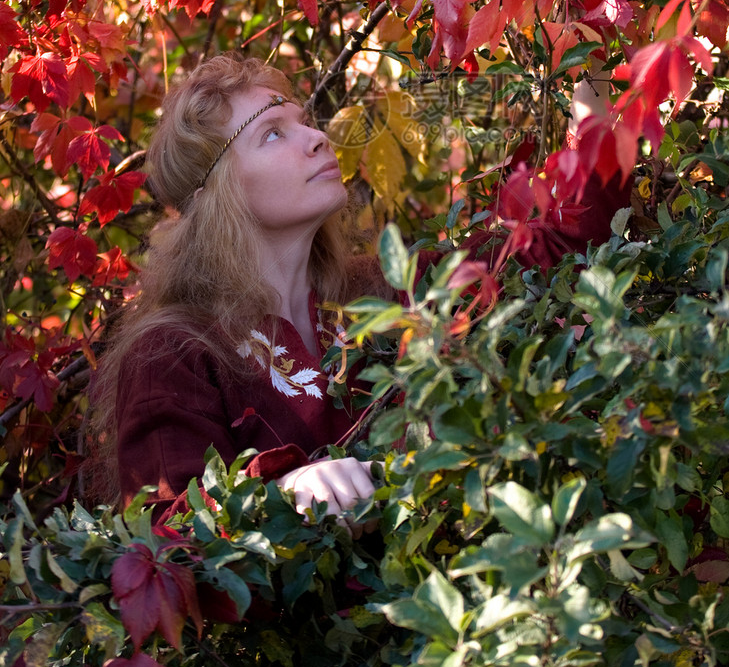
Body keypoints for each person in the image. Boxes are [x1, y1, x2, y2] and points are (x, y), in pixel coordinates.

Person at [88, 52, 624, 523]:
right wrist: (279, 493)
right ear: (220, 190)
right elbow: (162, 540)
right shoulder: (174, 352)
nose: (317, 136)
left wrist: (593, 64)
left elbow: (556, 249)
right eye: (273, 132)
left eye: (303, 121)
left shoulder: (386, 290)